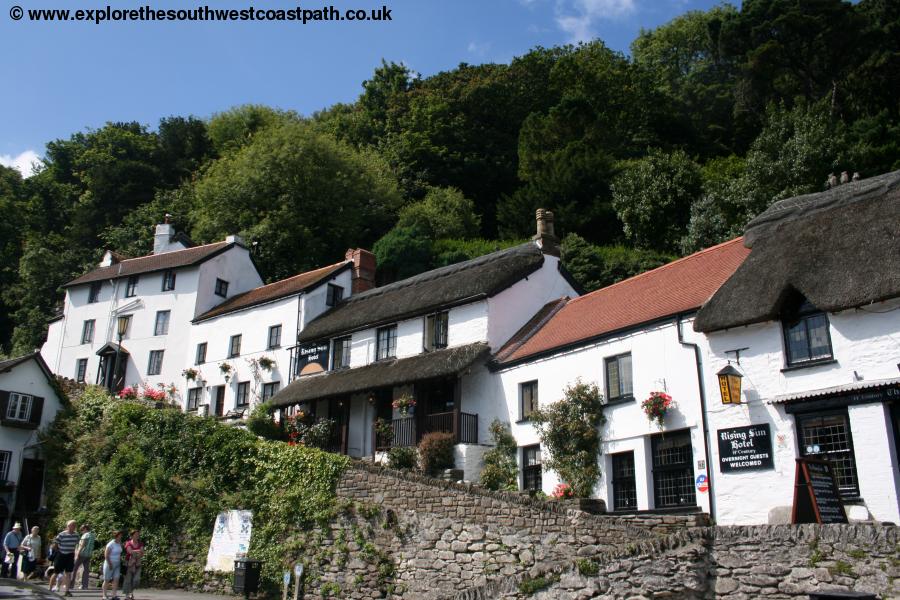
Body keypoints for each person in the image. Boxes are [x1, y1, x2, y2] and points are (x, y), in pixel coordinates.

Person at [53, 520, 79, 597]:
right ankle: (50, 589)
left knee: (68, 573)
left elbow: (77, 545)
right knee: (56, 573)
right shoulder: (61, 534)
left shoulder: (76, 535)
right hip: (61, 555)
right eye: (72, 525)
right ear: (68, 526)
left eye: (74, 525)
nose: (73, 527)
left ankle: (67, 591)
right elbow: (55, 544)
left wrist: (76, 553)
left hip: (70, 555)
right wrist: (59, 552)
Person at [101, 530, 124, 600]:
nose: (121, 536)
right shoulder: (111, 544)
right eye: (120, 535)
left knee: (116, 579)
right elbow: (106, 555)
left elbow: (119, 553)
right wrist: (110, 564)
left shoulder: (119, 543)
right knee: (107, 580)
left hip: (117, 564)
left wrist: (121, 560)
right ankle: (104, 595)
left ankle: (114, 595)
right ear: (116, 536)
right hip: (109, 563)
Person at [73, 523, 96, 590]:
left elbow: (82, 545)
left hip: (82, 554)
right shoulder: (92, 535)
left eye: (82, 530)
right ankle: (85, 585)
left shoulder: (85, 535)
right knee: (86, 570)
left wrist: (77, 554)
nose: (81, 531)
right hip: (88, 554)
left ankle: (71, 584)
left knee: (74, 569)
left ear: (85, 529)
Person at [122, 530, 143, 600]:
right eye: (136, 534)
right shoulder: (128, 543)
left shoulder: (140, 543)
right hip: (129, 563)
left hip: (138, 563)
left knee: (136, 580)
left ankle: (131, 592)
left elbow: (142, 553)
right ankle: (128, 595)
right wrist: (138, 551)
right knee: (128, 579)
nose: (137, 535)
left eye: (138, 534)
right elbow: (129, 551)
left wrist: (136, 552)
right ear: (132, 535)